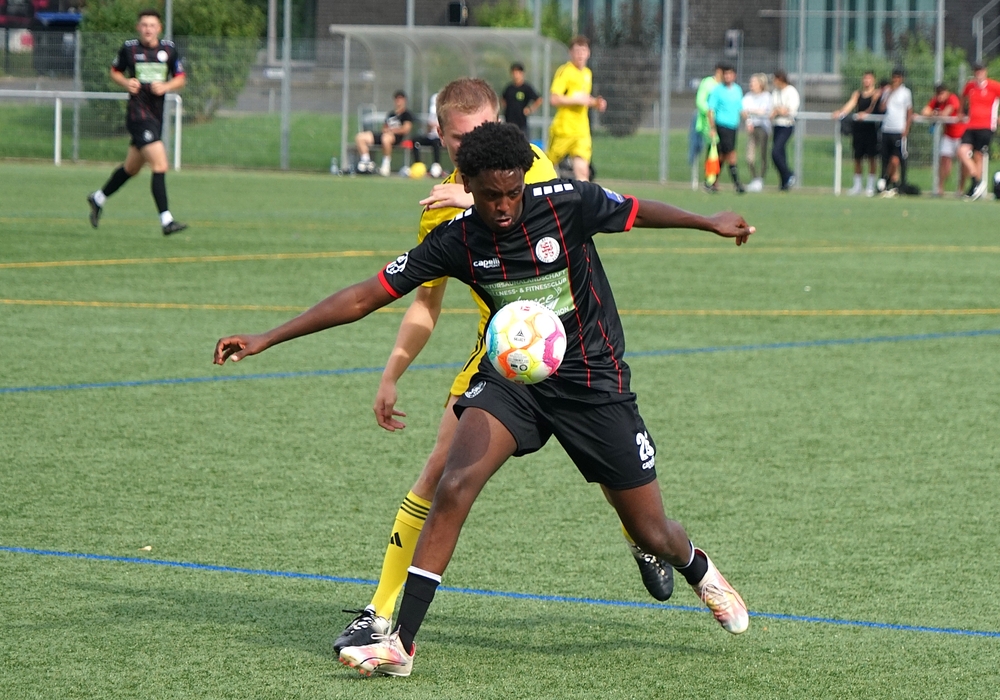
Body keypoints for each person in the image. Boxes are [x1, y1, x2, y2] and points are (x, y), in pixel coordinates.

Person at [213, 122, 755, 678]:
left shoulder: (567, 203)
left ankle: (698, 568)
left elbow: (638, 210)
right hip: (512, 382)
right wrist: (268, 337)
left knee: (651, 531)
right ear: (467, 185)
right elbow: (364, 297)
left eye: (513, 192)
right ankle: (401, 644)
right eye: (491, 195)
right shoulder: (457, 240)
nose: (503, 206)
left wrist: (707, 221)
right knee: (454, 483)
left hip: (593, 382)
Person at [329, 78, 674, 656]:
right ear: (441, 136)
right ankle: (381, 612)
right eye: (460, 139)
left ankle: (642, 535)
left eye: (483, 133)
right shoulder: (439, 211)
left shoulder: (525, 161)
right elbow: (424, 303)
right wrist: (392, 370)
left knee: (613, 470)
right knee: (441, 471)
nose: (472, 145)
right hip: (501, 353)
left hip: (570, 347)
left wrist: (471, 199)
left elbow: (530, 201)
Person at [86, 9, 187, 236]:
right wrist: (125, 82)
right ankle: (166, 221)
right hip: (138, 116)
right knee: (160, 165)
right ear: (138, 27)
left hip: (156, 116)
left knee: (131, 168)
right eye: (144, 25)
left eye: (152, 25)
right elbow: (114, 71)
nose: (148, 29)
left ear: (159, 28)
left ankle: (98, 198)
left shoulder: (169, 50)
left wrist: (166, 86)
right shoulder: (130, 49)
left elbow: (181, 78)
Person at [548, 35, 607, 181]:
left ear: (588, 53)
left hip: (581, 130)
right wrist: (575, 100)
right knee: (548, 165)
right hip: (564, 129)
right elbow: (554, 98)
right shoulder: (565, 71)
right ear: (570, 53)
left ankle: (583, 196)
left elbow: (583, 98)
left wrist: (595, 103)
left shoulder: (587, 73)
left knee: (583, 171)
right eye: (577, 51)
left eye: (583, 51)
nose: (580, 55)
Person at [833, 70, 880, 196]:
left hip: (871, 130)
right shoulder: (857, 94)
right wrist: (840, 112)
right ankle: (857, 186)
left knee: (872, 158)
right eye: (865, 78)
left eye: (869, 78)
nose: (866, 81)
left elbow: (873, 107)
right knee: (857, 157)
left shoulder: (876, 93)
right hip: (858, 129)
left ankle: (870, 186)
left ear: (873, 80)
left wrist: (866, 114)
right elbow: (850, 105)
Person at [957, 62, 1000, 200]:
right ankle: (977, 180)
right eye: (976, 71)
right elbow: (962, 97)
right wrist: (961, 112)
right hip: (971, 125)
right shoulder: (970, 86)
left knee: (978, 155)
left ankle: (975, 187)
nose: (978, 73)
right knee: (962, 151)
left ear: (985, 71)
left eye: (981, 71)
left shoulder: (994, 86)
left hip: (986, 126)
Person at [921, 83, 966, 197]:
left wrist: (934, 113)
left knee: (963, 163)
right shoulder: (936, 101)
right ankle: (940, 189)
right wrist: (935, 113)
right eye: (938, 93)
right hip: (948, 135)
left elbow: (946, 113)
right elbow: (925, 111)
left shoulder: (952, 98)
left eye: (942, 93)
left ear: (947, 92)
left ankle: (961, 189)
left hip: (961, 135)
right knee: (944, 163)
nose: (939, 96)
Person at [355, 90, 414, 176]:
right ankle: (366, 162)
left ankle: (386, 165)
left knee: (386, 139)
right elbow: (384, 127)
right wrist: (386, 130)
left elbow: (406, 129)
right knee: (360, 137)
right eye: (397, 99)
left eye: (400, 99)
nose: (398, 101)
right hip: (385, 135)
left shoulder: (407, 114)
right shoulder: (391, 114)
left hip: (396, 138)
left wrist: (392, 131)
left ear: (404, 100)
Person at [706, 64, 745, 193]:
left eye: (730, 74)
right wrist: (712, 128)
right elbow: (710, 110)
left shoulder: (737, 90)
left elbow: (740, 108)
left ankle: (712, 182)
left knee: (722, 155)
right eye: (725, 74)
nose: (727, 76)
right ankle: (737, 183)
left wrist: (748, 120)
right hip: (722, 125)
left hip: (733, 126)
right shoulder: (718, 90)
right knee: (731, 154)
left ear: (734, 76)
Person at [876, 68, 913, 198]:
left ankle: (896, 182)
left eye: (897, 77)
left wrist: (906, 128)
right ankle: (886, 183)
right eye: (893, 77)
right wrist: (888, 94)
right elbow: (882, 108)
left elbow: (909, 111)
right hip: (887, 128)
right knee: (885, 157)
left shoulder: (906, 93)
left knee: (898, 158)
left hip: (898, 129)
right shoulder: (887, 91)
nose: (895, 80)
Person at [695, 63, 725, 191]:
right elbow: (700, 101)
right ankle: (709, 180)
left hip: (722, 122)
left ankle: (714, 179)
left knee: (722, 151)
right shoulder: (707, 83)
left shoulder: (724, 86)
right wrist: (709, 112)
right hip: (709, 122)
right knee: (713, 148)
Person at [741, 73, 772, 193]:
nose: (751, 84)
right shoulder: (748, 97)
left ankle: (760, 179)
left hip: (763, 128)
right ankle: (754, 178)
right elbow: (744, 111)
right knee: (750, 157)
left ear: (760, 84)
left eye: (753, 82)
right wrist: (749, 121)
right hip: (752, 128)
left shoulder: (767, 97)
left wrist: (751, 111)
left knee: (763, 155)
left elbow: (764, 112)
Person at [770, 70, 800, 191]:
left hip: (787, 125)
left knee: (776, 151)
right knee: (780, 154)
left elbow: (789, 110)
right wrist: (777, 110)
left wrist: (779, 110)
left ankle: (789, 174)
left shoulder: (791, 91)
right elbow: (773, 108)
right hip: (777, 125)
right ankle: (784, 182)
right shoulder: (775, 92)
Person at [501, 62, 543, 139]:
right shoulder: (509, 88)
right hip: (509, 123)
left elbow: (539, 100)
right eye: (514, 73)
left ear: (522, 73)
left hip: (521, 124)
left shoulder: (526, 88)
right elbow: (503, 99)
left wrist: (530, 109)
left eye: (518, 72)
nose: (516, 75)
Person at [409, 91, 443, 178]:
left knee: (436, 142)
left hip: (440, 138)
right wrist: (430, 127)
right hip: (431, 136)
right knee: (416, 140)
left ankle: (436, 165)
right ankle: (418, 164)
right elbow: (429, 129)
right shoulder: (432, 113)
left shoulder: (445, 114)